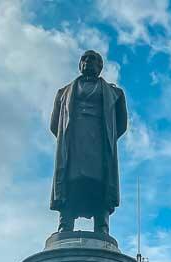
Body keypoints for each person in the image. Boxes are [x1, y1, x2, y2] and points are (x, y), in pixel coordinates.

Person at [49, 50, 128, 235]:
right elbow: (55, 125)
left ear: (100, 67)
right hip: (73, 145)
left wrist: (106, 137)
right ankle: (65, 224)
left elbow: (121, 124)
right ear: (79, 65)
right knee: (69, 181)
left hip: (100, 146)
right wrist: (70, 137)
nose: (87, 62)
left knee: (101, 182)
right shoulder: (63, 93)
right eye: (84, 59)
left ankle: (102, 226)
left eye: (92, 59)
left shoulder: (116, 94)